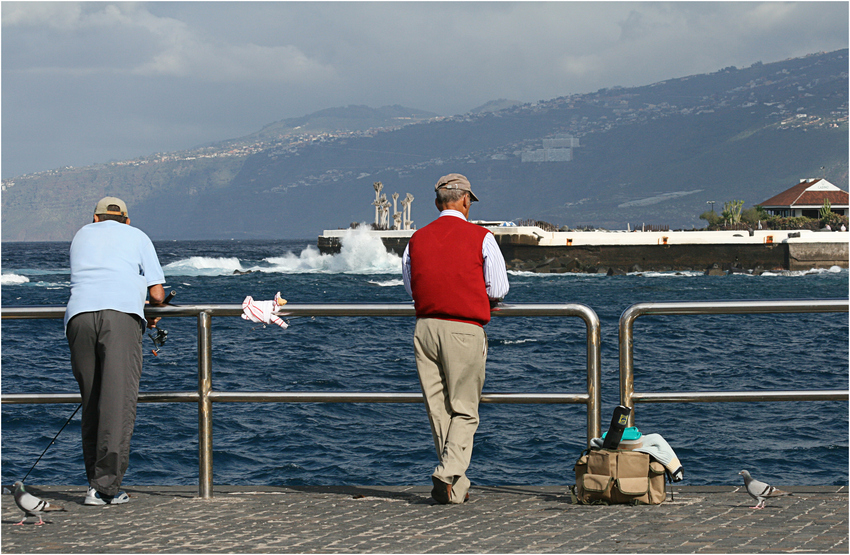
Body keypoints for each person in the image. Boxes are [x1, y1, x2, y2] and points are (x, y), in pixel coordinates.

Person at [402, 173, 509, 504]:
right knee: (465, 409)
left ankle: (455, 486)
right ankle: (447, 474)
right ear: (466, 201)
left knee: (438, 409)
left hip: (425, 328)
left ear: (437, 204)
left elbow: (410, 287)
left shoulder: (416, 239)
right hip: (464, 328)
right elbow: (499, 288)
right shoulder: (482, 237)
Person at [64, 197, 166, 505]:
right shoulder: (138, 236)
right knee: (117, 403)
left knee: (92, 401)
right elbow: (158, 294)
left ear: (95, 219)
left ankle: (95, 482)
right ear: (127, 220)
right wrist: (148, 307)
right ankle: (105, 489)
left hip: (79, 318)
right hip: (120, 317)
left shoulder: (81, 234)